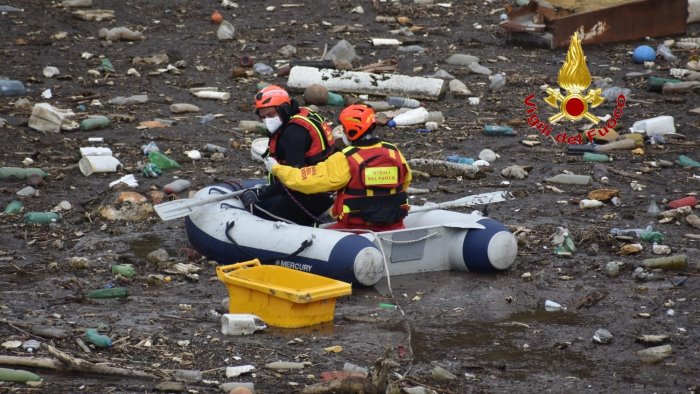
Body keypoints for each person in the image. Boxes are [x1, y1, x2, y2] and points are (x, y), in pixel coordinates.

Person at [264, 104, 412, 232]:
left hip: (355, 228)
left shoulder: (345, 158)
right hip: (393, 224)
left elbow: (307, 181)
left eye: (344, 127)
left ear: (352, 131)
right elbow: (406, 181)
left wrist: (277, 168)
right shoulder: (393, 152)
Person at [240, 85, 336, 226]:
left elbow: (294, 179)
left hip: (310, 195)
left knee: (268, 222)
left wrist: (261, 193)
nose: (267, 120)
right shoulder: (303, 114)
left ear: (283, 109)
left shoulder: (293, 134)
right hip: (323, 187)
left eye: (271, 115)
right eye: (263, 116)